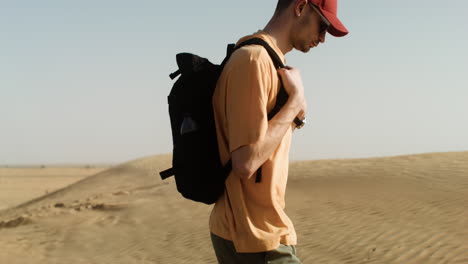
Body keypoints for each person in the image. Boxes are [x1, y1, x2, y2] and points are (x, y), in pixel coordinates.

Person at [209, 0, 348, 263]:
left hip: (260, 232)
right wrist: (294, 103)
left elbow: (263, 144)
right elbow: (246, 161)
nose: (323, 38)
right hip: (253, 236)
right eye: (323, 25)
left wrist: (296, 117)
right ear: (300, 7)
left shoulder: (271, 62)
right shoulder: (253, 61)